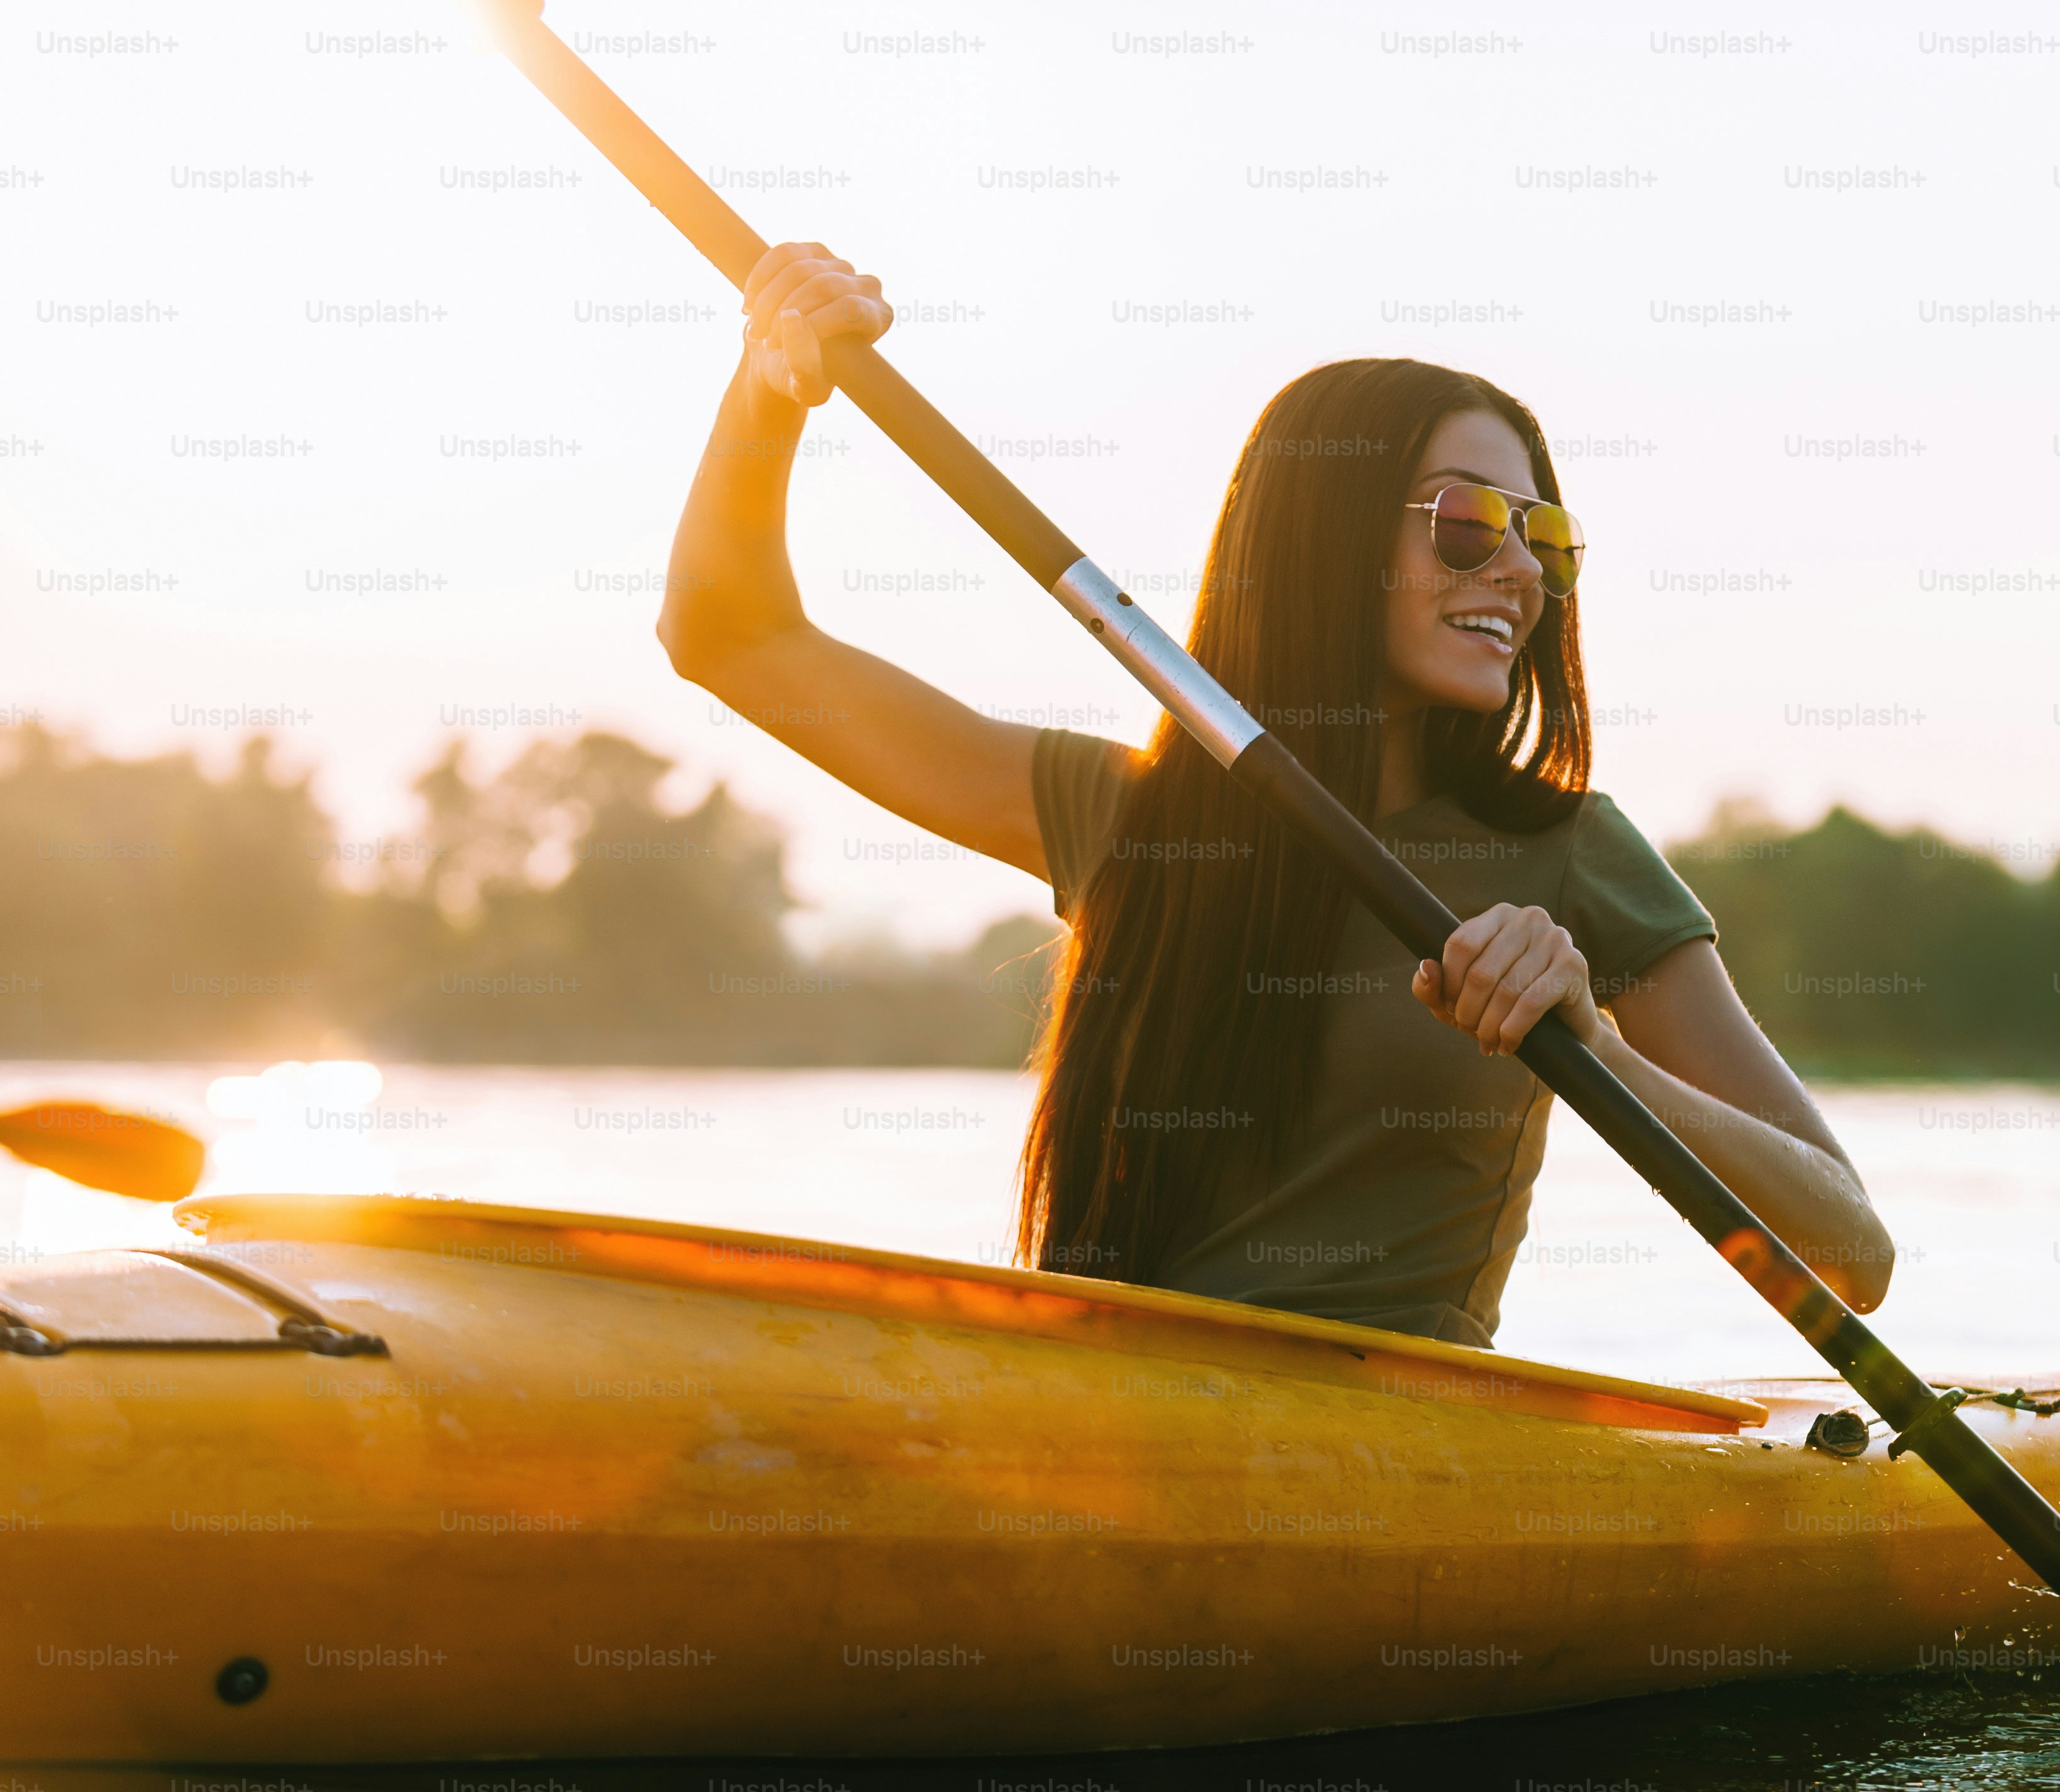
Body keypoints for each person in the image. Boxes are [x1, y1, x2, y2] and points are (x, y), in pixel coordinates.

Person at [660, 243, 1893, 1347]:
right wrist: (770, 394)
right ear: (1323, 541)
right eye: (1467, 524)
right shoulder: (1126, 818)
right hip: (1105, 1432)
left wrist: (1593, 1047)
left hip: (1403, 1457)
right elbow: (730, 638)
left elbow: (1852, 1255)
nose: (1519, 570)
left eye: (1542, 536)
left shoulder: (1571, 851)